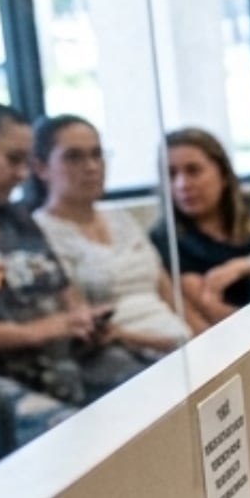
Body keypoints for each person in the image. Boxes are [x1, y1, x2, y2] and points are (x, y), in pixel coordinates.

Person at [0, 99, 142, 411]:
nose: (22, 174)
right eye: (13, 159)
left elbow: (64, 291)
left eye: (26, 161)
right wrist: (31, 332)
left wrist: (82, 319)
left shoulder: (18, 220)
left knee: (152, 391)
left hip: (69, 364)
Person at [26, 115, 188, 356]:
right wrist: (169, 344)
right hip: (121, 357)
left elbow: (168, 292)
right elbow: (86, 325)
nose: (91, 167)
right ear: (41, 167)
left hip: (179, 342)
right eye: (74, 157)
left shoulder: (121, 218)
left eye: (97, 154)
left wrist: (205, 341)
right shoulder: (39, 233)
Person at [152, 128, 250, 327]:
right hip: (247, 332)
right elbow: (211, 309)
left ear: (222, 174)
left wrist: (245, 266)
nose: (182, 184)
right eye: (171, 175)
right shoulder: (166, 237)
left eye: (193, 171)